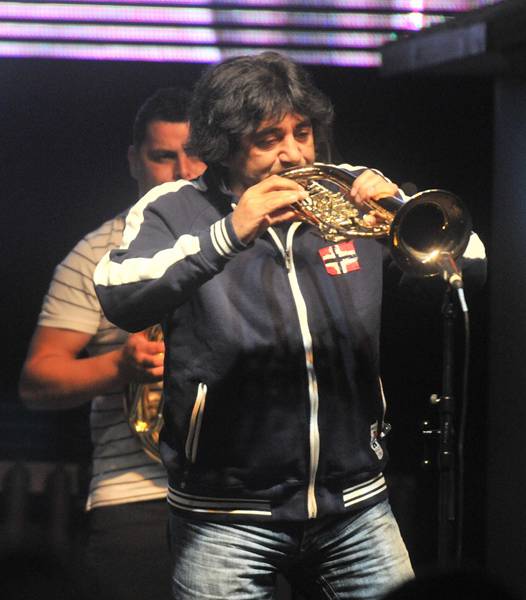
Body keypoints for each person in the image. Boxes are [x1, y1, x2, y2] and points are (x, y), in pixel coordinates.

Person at [94, 52, 486, 599]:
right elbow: (118, 292)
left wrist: (397, 208)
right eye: (268, 139)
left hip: (356, 506)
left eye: (302, 133)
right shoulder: (174, 208)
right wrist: (230, 232)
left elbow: (469, 264)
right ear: (224, 145)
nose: (295, 154)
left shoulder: (347, 195)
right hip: (224, 516)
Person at [18, 87, 206, 600]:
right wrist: (120, 366)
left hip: (244, 496)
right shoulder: (96, 253)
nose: (183, 171)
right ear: (133, 161)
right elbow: (37, 381)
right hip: (135, 497)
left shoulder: (247, 236)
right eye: (163, 156)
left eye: (195, 153)